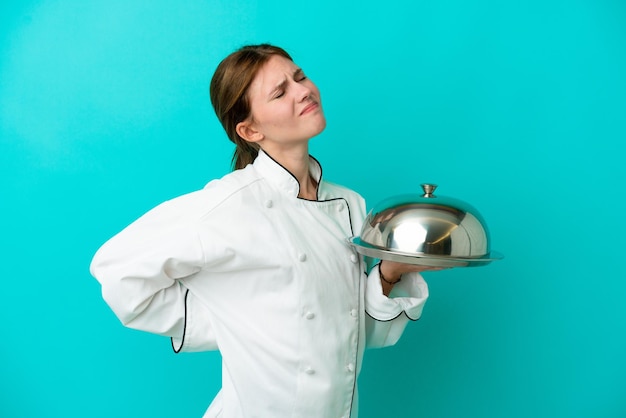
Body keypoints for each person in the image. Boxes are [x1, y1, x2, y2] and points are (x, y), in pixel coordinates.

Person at [90, 43, 440, 418]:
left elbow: (350, 336)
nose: (303, 90)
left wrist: (390, 273)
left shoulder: (350, 204)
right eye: (280, 91)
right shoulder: (229, 205)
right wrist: (235, 325)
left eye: (300, 76)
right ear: (250, 129)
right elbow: (117, 270)